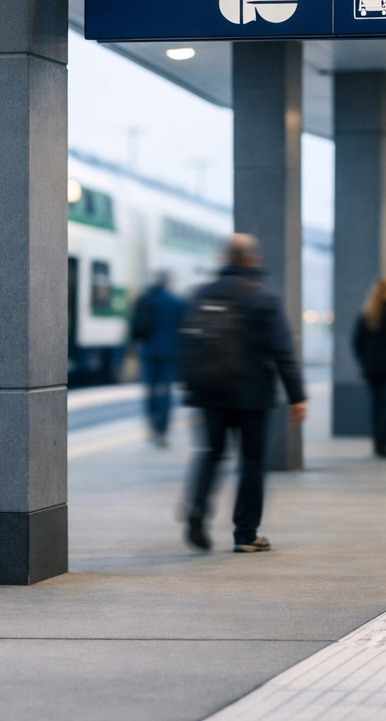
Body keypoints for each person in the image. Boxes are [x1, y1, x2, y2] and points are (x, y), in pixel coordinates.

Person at [182, 235, 307, 553]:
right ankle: (246, 534)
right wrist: (297, 396)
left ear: (225, 258)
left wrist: (190, 385)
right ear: (252, 260)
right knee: (251, 461)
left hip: (210, 391)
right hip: (252, 394)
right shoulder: (263, 297)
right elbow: (283, 350)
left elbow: (185, 344)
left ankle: (197, 509)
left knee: (212, 452)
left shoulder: (201, 293)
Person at [351, 277, 386, 458]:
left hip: (371, 369)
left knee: (376, 405)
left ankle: (377, 443)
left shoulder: (366, 314)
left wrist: (365, 361)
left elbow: (357, 342)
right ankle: (383, 444)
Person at [130, 271, 185, 446]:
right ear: (167, 283)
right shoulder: (175, 302)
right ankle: (162, 430)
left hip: (148, 352)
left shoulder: (145, 299)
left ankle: (152, 427)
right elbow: (181, 327)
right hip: (169, 353)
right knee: (166, 392)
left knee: (150, 391)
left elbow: (134, 327)